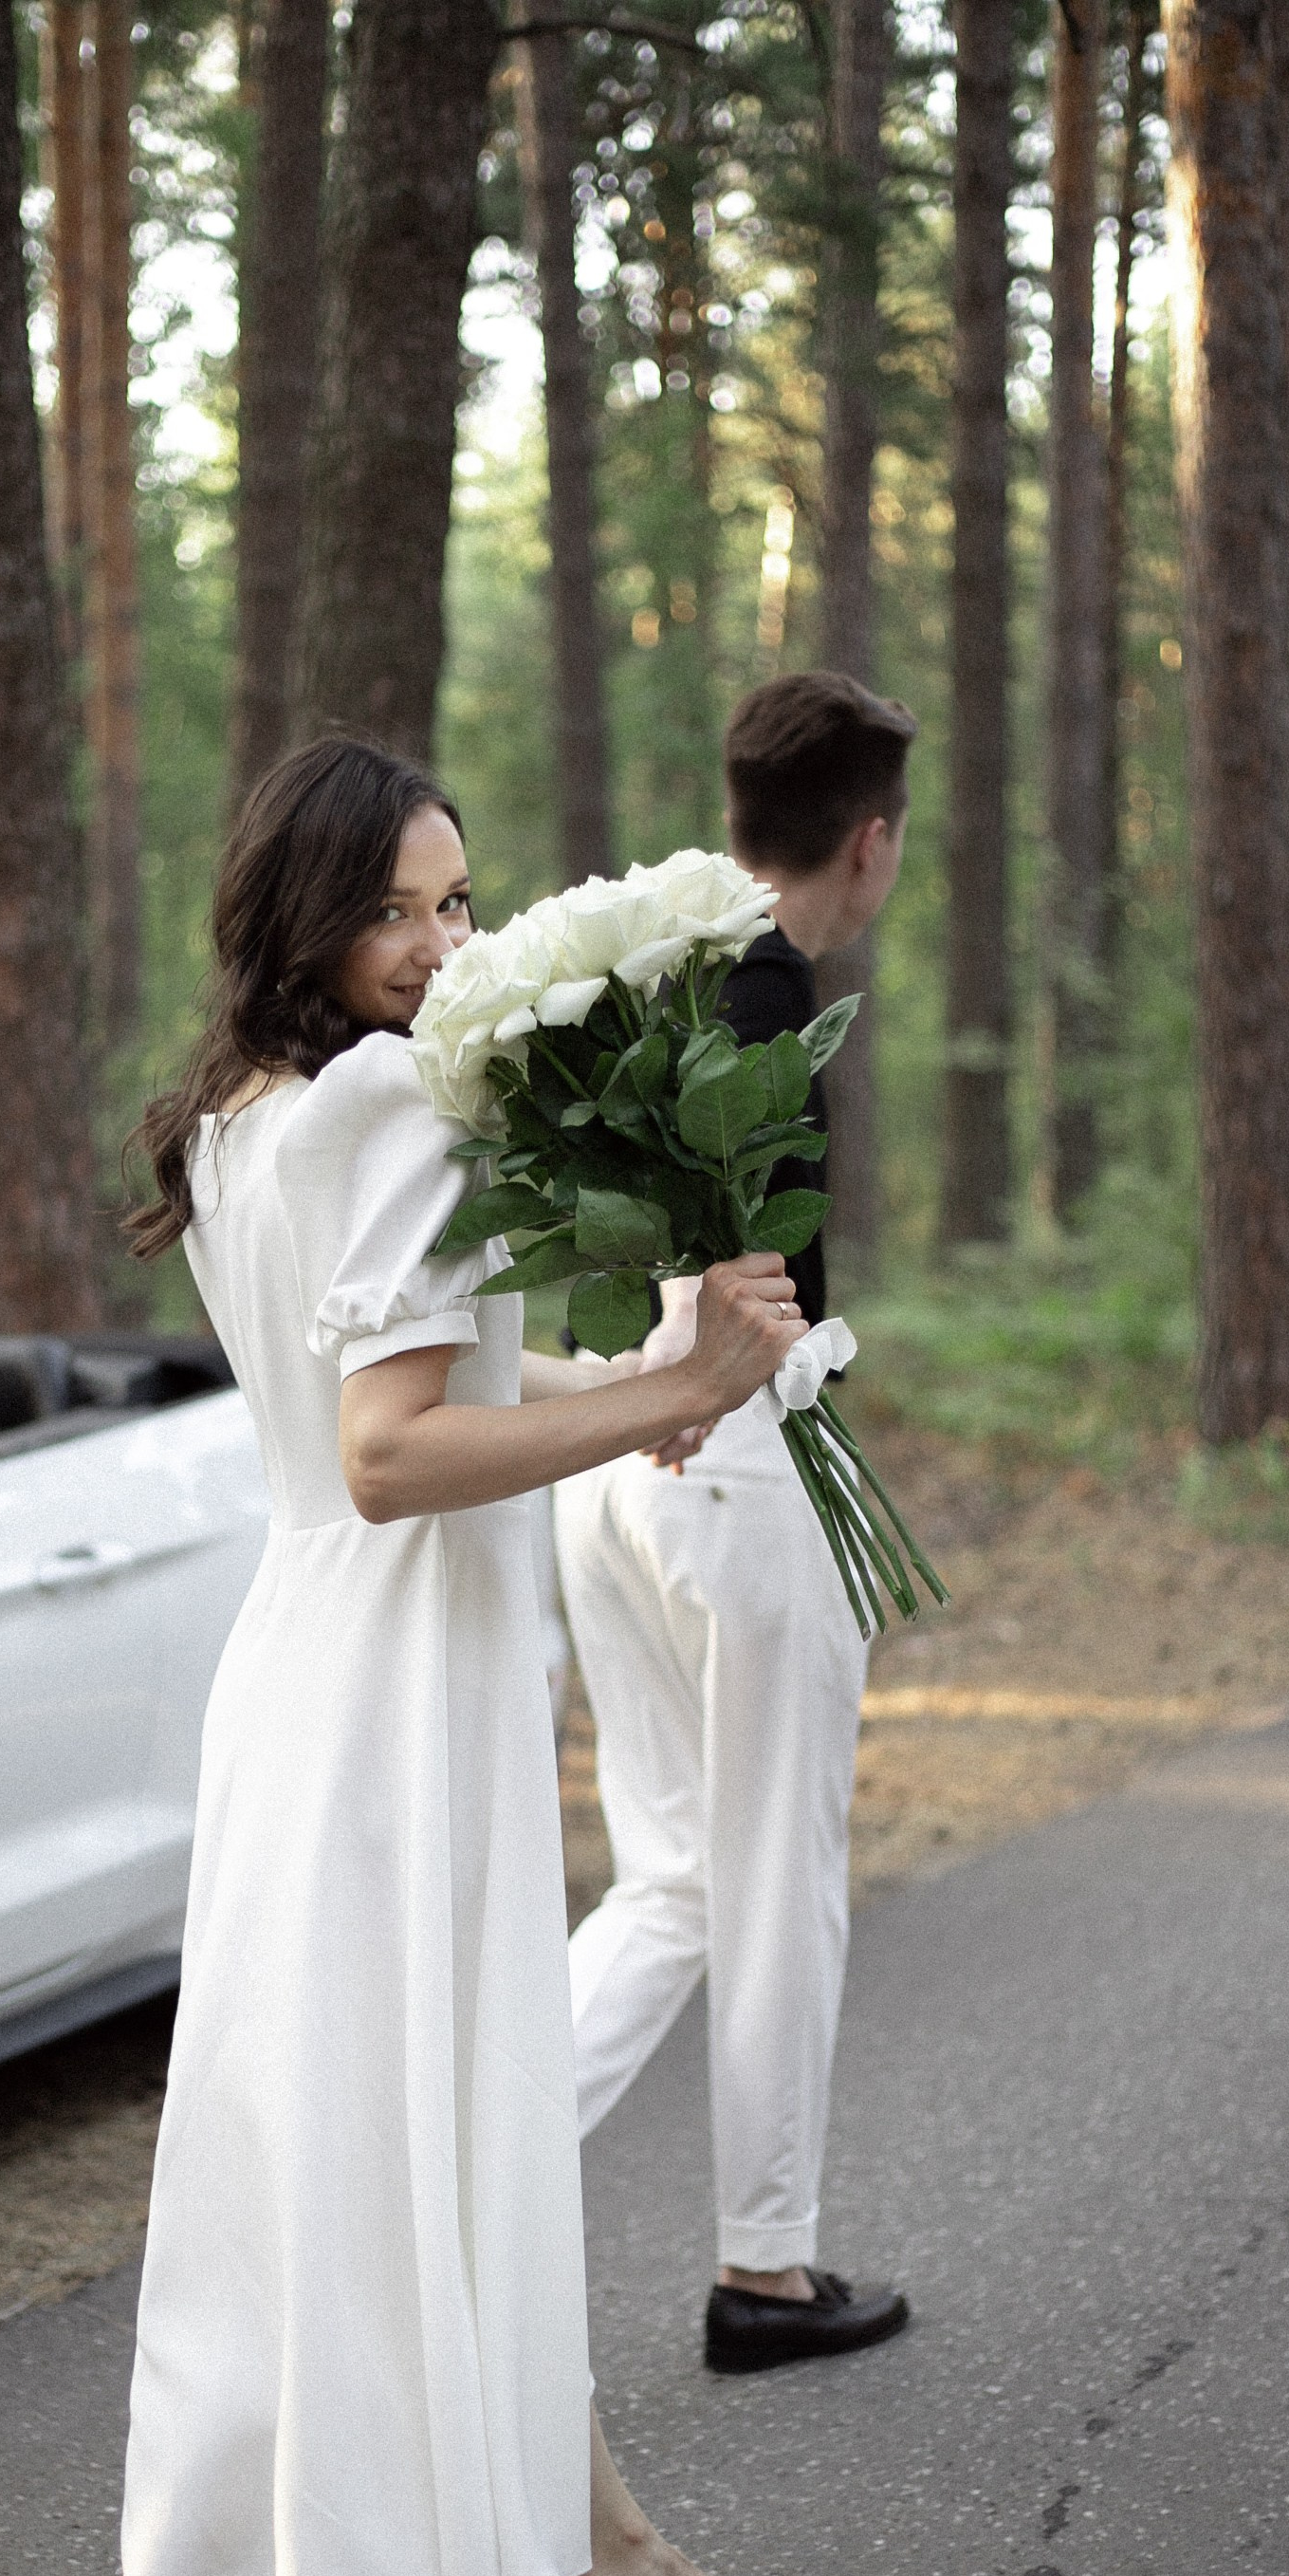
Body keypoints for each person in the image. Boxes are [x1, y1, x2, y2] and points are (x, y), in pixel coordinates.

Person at [19, 737, 807, 2576]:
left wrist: (614, 1407)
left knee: (413, 2150)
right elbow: (386, 1453)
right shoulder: (380, 1106)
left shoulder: (249, 1116)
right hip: (381, 1708)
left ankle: (619, 2555)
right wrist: (673, 1393)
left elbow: (411, 1406)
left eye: (461, 907)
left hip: (321, 1685)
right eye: (401, 913)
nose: (444, 949)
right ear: (303, 917)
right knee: (326, 2203)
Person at [553, 672, 918, 2378]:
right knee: (778, 1882)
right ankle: (765, 2275)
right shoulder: (766, 991)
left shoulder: (656, 973)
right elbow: (744, 1275)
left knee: (680, 1878)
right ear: (871, 840)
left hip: (613, 1465)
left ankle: (455, 2179)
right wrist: (725, 1385)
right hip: (733, 1459)